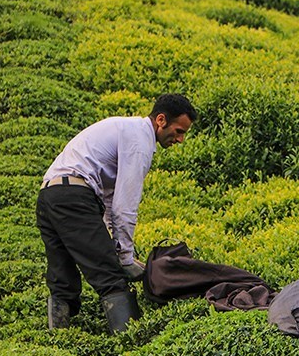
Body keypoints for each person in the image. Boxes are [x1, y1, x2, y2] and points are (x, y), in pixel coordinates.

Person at [36, 93, 197, 334]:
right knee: (110, 276)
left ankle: (57, 340)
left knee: (62, 281)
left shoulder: (124, 128)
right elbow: (125, 207)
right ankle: (131, 342)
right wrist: (125, 258)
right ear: (161, 120)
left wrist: (117, 245)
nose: (181, 139)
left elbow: (109, 203)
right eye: (179, 130)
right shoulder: (140, 141)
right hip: (74, 197)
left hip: (49, 197)